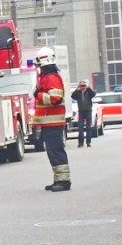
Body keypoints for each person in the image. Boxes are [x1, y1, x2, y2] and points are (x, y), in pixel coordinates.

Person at [33, 46, 70, 191]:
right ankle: (58, 179)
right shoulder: (47, 77)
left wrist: (39, 95)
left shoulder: (51, 78)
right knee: (52, 152)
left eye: (38, 64)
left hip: (53, 123)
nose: (37, 67)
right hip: (50, 123)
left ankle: (64, 182)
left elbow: (55, 98)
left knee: (56, 151)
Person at [71, 80, 96, 147]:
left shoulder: (88, 92)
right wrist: (77, 89)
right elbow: (72, 96)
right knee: (80, 127)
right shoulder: (78, 93)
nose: (83, 87)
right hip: (81, 111)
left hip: (88, 111)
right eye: (81, 85)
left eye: (84, 85)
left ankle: (88, 142)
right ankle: (80, 143)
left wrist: (88, 88)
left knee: (88, 127)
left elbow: (93, 94)